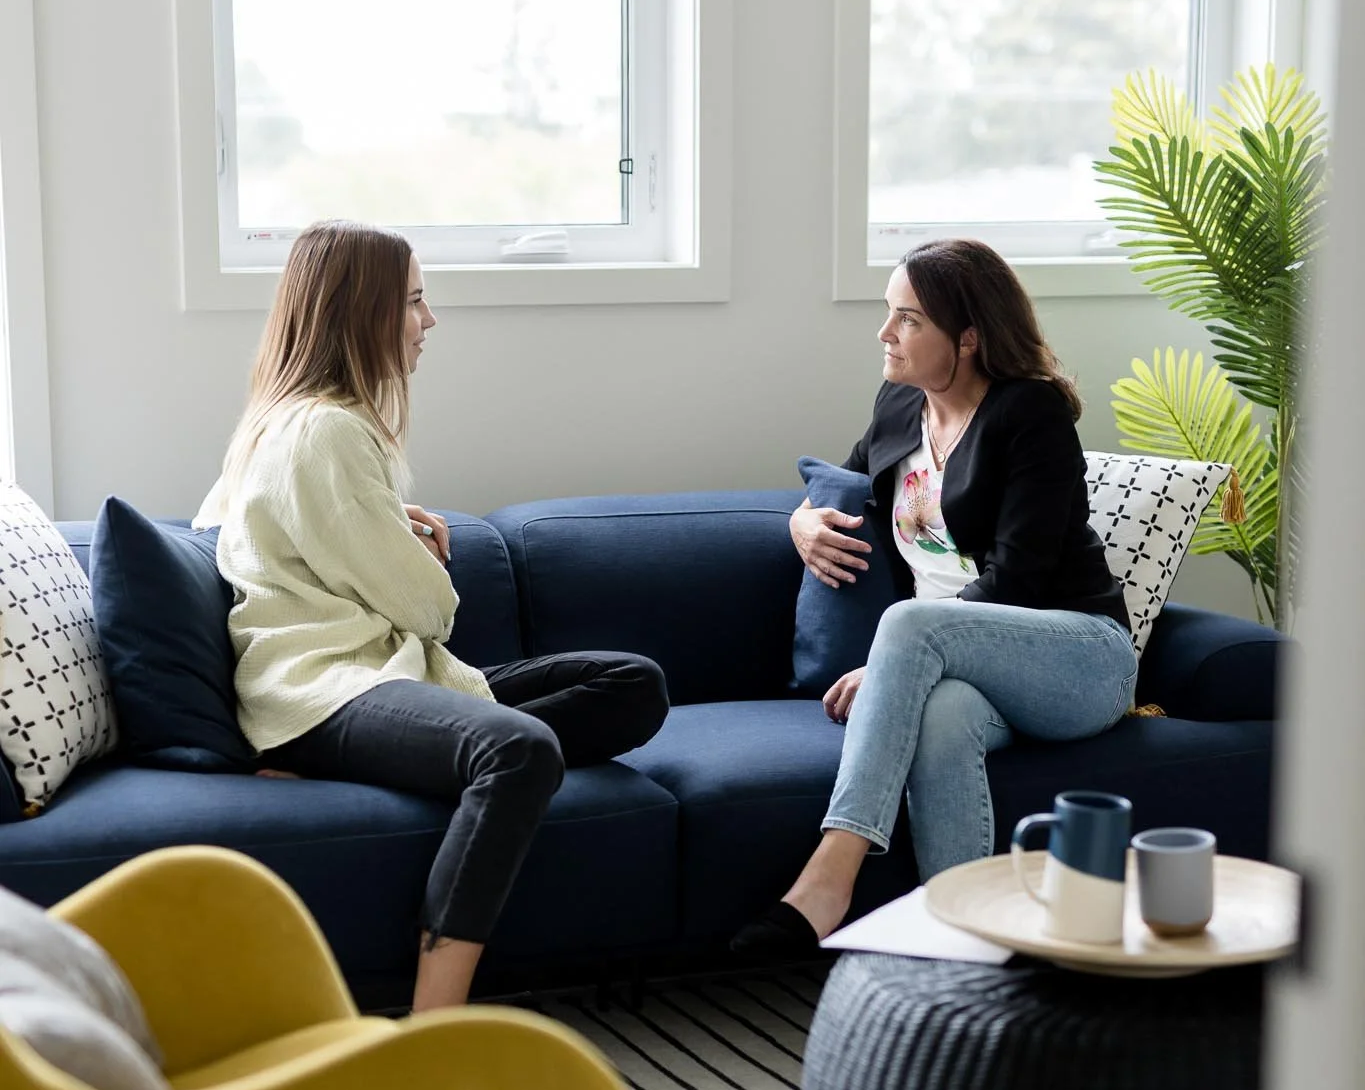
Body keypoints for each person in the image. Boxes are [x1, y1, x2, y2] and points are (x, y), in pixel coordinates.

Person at [195, 219, 668, 1010]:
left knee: (632, 684)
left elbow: (237, 532)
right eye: (414, 302)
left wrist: (385, 525)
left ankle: (425, 763)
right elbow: (428, 608)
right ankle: (435, 1016)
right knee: (518, 750)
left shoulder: (285, 420)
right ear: (362, 312)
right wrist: (423, 555)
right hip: (326, 690)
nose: (429, 322)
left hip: (378, 675)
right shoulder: (327, 431)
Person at [733, 237, 1137, 956]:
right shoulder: (900, 402)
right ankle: (962, 947)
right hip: (956, 670)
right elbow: (846, 483)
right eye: (890, 314)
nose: (884, 333)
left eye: (908, 319)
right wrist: (800, 520)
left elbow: (1019, 576)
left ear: (970, 338)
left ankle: (830, 875)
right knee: (944, 716)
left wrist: (897, 655)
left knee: (910, 624)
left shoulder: (1030, 415)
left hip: (1075, 657)